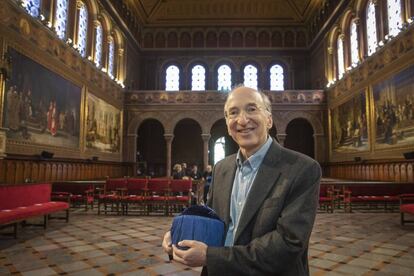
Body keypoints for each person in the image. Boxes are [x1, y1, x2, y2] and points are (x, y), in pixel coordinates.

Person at [162, 86, 321, 275]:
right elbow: (213, 221)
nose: (242, 120)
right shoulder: (222, 168)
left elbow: (288, 244)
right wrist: (180, 235)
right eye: (233, 113)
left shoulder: (302, 169)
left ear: (269, 119)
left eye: (252, 109)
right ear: (228, 124)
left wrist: (212, 257)